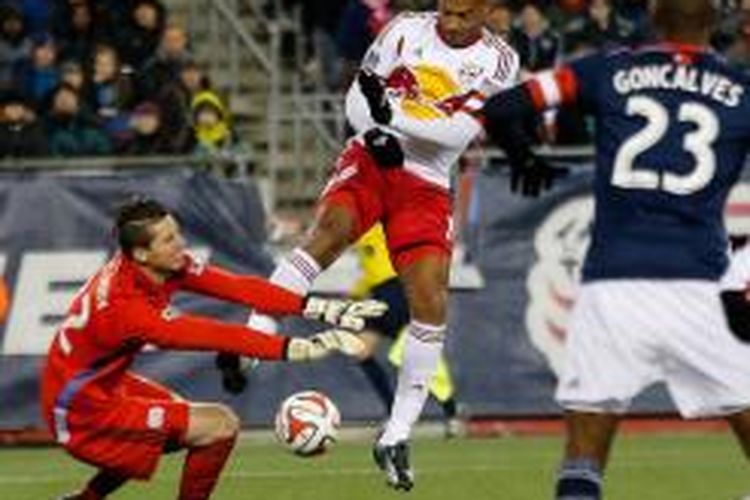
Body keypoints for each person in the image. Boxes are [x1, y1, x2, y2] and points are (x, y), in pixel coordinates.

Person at [243, 0, 557, 491]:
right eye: (445, 11)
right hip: (371, 156)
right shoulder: (406, 29)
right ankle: (255, 332)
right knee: (327, 235)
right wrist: (374, 127)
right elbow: (356, 97)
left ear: (488, 13)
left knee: (431, 302)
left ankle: (396, 434)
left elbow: (460, 129)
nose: (450, 23)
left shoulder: (501, 61)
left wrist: (391, 115)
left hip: (428, 182)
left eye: (462, 15)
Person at [482, 0, 750, 498]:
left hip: (614, 285)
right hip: (703, 286)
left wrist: (524, 157)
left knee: (582, 458)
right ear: (715, 22)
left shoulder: (606, 71)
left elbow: (502, 108)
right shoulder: (742, 91)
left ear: (653, 13)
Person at [41, 197, 385, 500]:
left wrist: (321, 307)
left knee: (174, 416)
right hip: (79, 410)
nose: (181, 244)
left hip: (90, 386)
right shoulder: (126, 308)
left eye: (177, 233)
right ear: (142, 253)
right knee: (220, 425)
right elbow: (216, 336)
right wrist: (296, 347)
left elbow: (240, 288)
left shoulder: (150, 266)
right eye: (169, 239)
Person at [350, 223, 462, 437]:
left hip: (398, 290)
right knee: (361, 351)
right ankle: (394, 413)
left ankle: (451, 411)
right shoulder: (363, 234)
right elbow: (372, 271)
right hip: (380, 294)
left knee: (416, 355)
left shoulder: (380, 223)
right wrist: (356, 293)